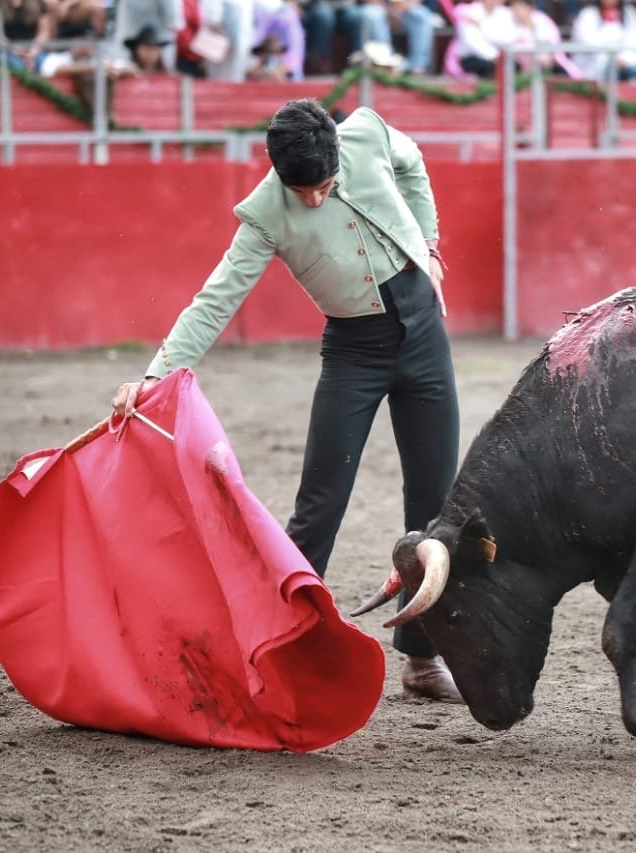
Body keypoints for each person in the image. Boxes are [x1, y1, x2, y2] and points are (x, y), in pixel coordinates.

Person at [110, 100, 464, 704]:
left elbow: (414, 165)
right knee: (320, 503)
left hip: (425, 335)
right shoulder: (265, 214)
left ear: (337, 155)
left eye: (325, 186)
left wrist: (428, 245)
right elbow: (215, 299)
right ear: (278, 172)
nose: (316, 201)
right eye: (303, 192)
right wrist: (153, 377)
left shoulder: (368, 134)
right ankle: (277, 648)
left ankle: (422, 660)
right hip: (354, 352)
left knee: (434, 500)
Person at [571, 0, 636, 82]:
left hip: (625, 62)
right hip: (596, 65)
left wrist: (623, 59)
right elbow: (588, 43)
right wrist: (612, 58)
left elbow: (635, 42)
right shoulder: (588, 14)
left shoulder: (629, 13)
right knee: (611, 67)